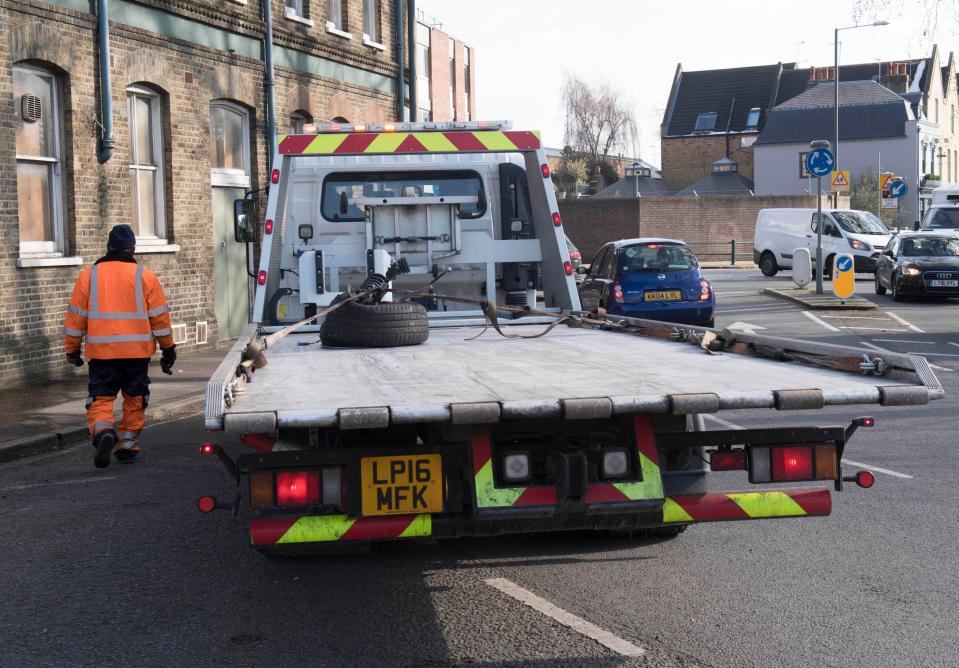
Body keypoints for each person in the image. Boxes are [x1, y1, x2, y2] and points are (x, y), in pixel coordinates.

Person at [63, 224, 177, 468]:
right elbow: (159, 318)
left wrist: (72, 350)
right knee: (134, 399)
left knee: (101, 400)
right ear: (132, 249)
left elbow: (75, 319)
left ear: (108, 247)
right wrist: (168, 349)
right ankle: (127, 447)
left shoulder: (89, 276)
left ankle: (104, 432)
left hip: (102, 354)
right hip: (136, 354)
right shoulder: (145, 277)